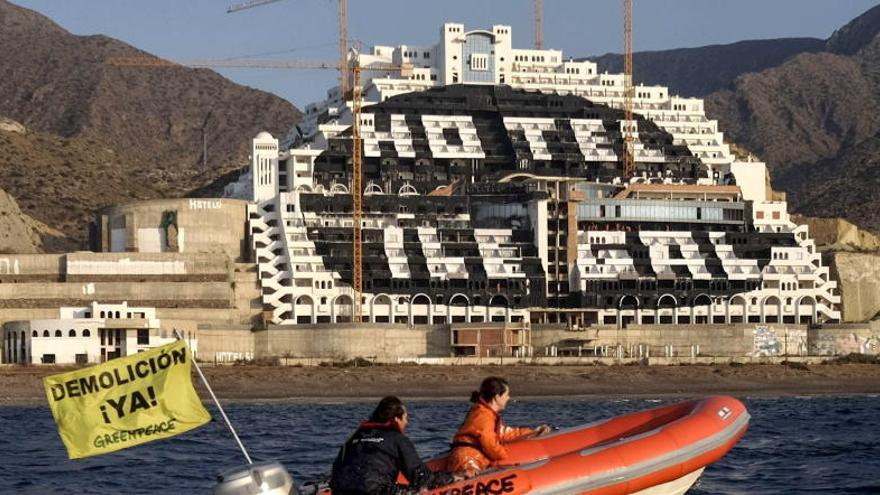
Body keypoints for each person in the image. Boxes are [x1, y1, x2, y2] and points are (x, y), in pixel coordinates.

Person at [330, 396, 454, 495]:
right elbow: (421, 477)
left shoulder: (354, 437)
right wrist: (451, 478)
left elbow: (337, 470)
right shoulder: (397, 439)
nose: (407, 422)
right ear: (396, 419)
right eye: (405, 418)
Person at [447, 377, 551, 478]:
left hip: (469, 456)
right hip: (467, 458)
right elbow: (489, 444)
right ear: (497, 397)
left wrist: (533, 432)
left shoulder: (485, 413)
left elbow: (505, 433)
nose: (508, 398)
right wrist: (504, 455)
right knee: (470, 479)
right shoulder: (483, 416)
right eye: (506, 394)